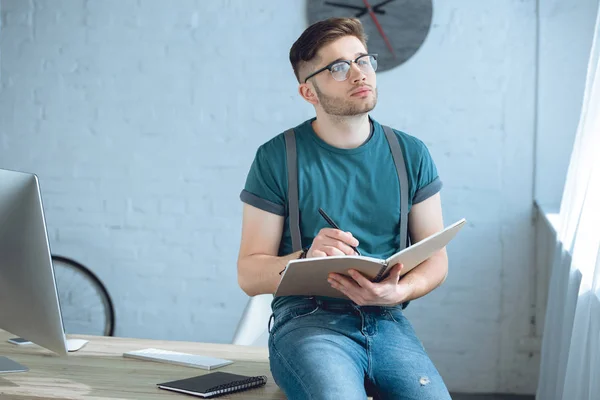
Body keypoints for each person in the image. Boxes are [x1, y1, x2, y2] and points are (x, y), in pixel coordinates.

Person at [237, 17, 452, 400]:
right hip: (307, 320)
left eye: (363, 60)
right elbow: (250, 273)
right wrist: (305, 257)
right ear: (309, 92)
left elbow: (436, 260)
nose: (358, 74)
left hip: (387, 319)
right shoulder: (276, 157)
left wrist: (398, 290)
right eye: (338, 67)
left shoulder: (411, 154)